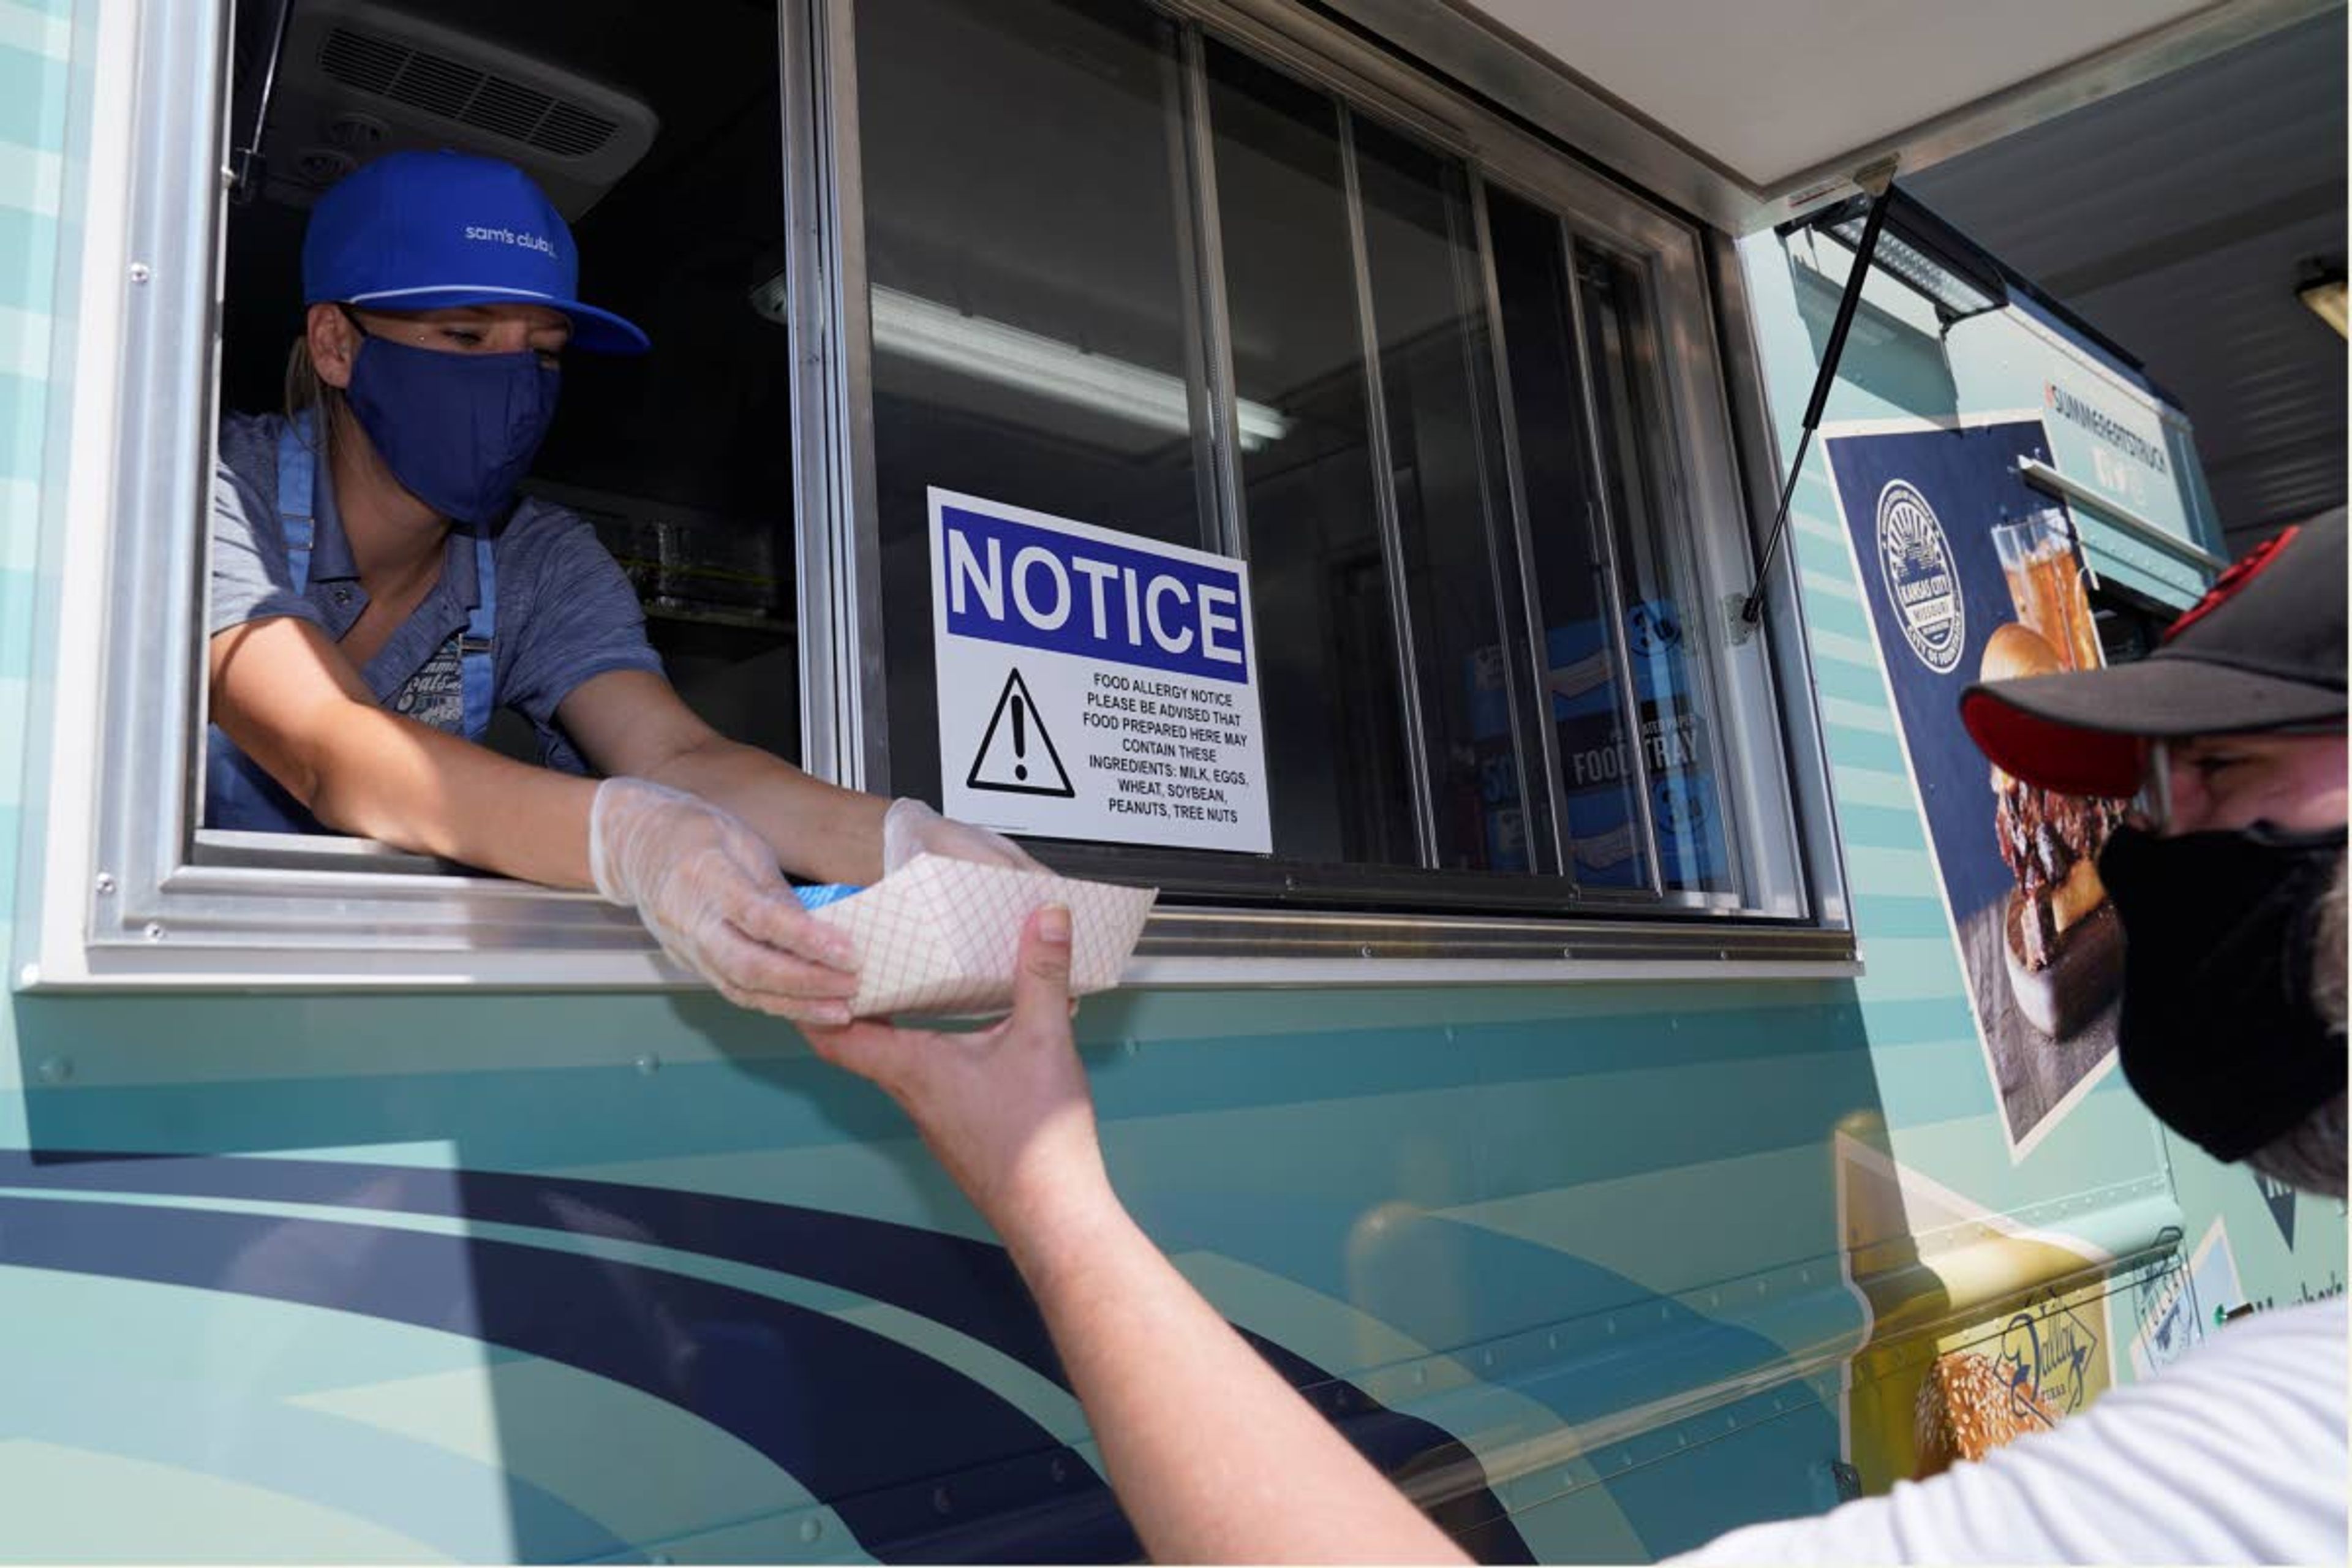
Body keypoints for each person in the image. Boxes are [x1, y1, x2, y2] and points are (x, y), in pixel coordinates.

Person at [808, 510, 2348, 1563]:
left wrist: (1044, 1187)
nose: (2155, 847)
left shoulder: (2300, 1438)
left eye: (2220, 767)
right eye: (2160, 787)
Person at [209, 149, 1035, 1022]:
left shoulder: (539, 560)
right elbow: (328, 747)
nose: (514, 386)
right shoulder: (216, 486)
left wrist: (910, 846)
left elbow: (677, 757)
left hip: (377, 1005)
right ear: (338, 344)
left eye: (545, 354)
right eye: (467, 337)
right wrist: (630, 839)